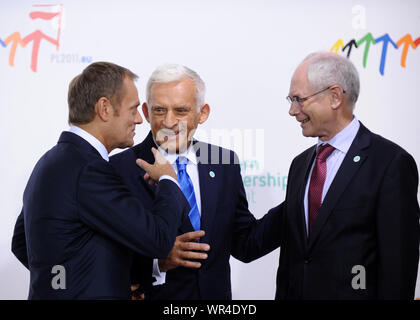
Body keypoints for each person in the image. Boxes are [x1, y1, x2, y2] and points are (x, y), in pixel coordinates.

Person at [11, 62, 190, 300]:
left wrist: (104, 284)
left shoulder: (51, 161)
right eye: (133, 109)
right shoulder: (88, 169)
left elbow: (22, 244)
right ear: (104, 108)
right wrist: (168, 178)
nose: (139, 119)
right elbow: (158, 240)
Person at [110, 64, 283, 300]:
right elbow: (104, 256)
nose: (169, 122)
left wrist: (299, 200)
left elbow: (245, 244)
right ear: (147, 112)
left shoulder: (224, 163)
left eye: (180, 110)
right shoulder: (119, 168)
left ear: (202, 113)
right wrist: (156, 263)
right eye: (160, 110)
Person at [276, 52, 420, 299]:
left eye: (299, 99)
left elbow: (398, 267)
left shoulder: (390, 164)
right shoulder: (300, 166)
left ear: (334, 97)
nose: (292, 110)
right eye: (291, 99)